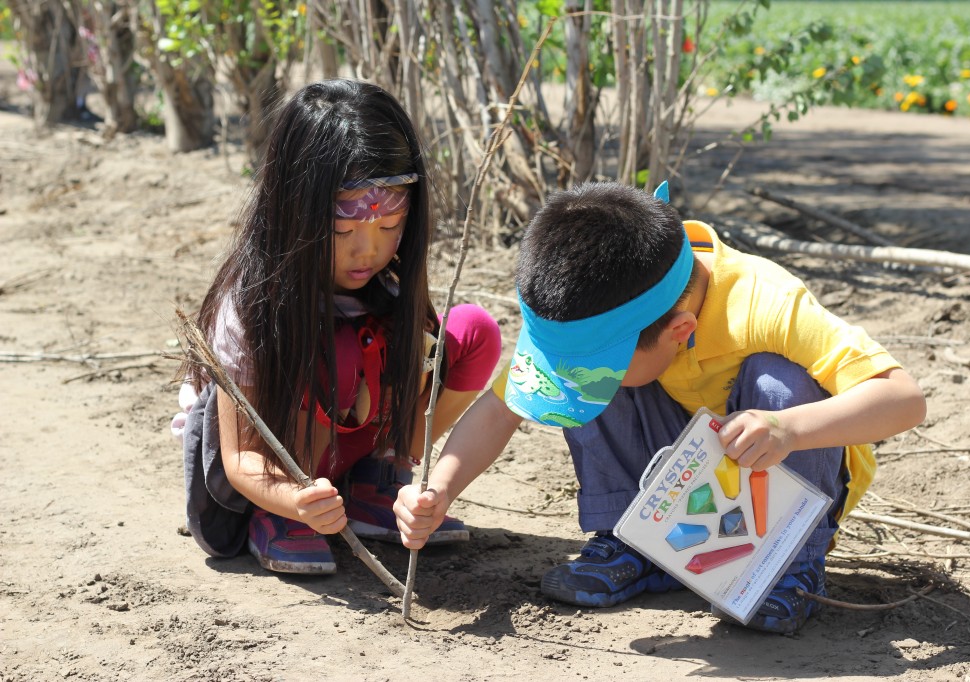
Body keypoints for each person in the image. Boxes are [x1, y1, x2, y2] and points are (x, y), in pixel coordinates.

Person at [394, 181, 926, 634]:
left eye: (595, 366)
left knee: (779, 382)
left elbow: (903, 399)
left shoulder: (765, 302)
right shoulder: (605, 295)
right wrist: (438, 489)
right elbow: (502, 408)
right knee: (583, 388)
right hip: (676, 470)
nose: (576, 377)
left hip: (779, 470)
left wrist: (786, 428)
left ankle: (787, 565)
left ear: (680, 331)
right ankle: (638, 544)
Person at [173, 79, 502, 575]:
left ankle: (377, 478)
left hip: (348, 441)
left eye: (389, 228)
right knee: (340, 352)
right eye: (343, 230)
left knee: (473, 331)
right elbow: (240, 458)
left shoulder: (388, 283)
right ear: (294, 214)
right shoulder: (252, 305)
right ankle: (279, 518)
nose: (367, 251)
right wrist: (290, 498)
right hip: (265, 465)